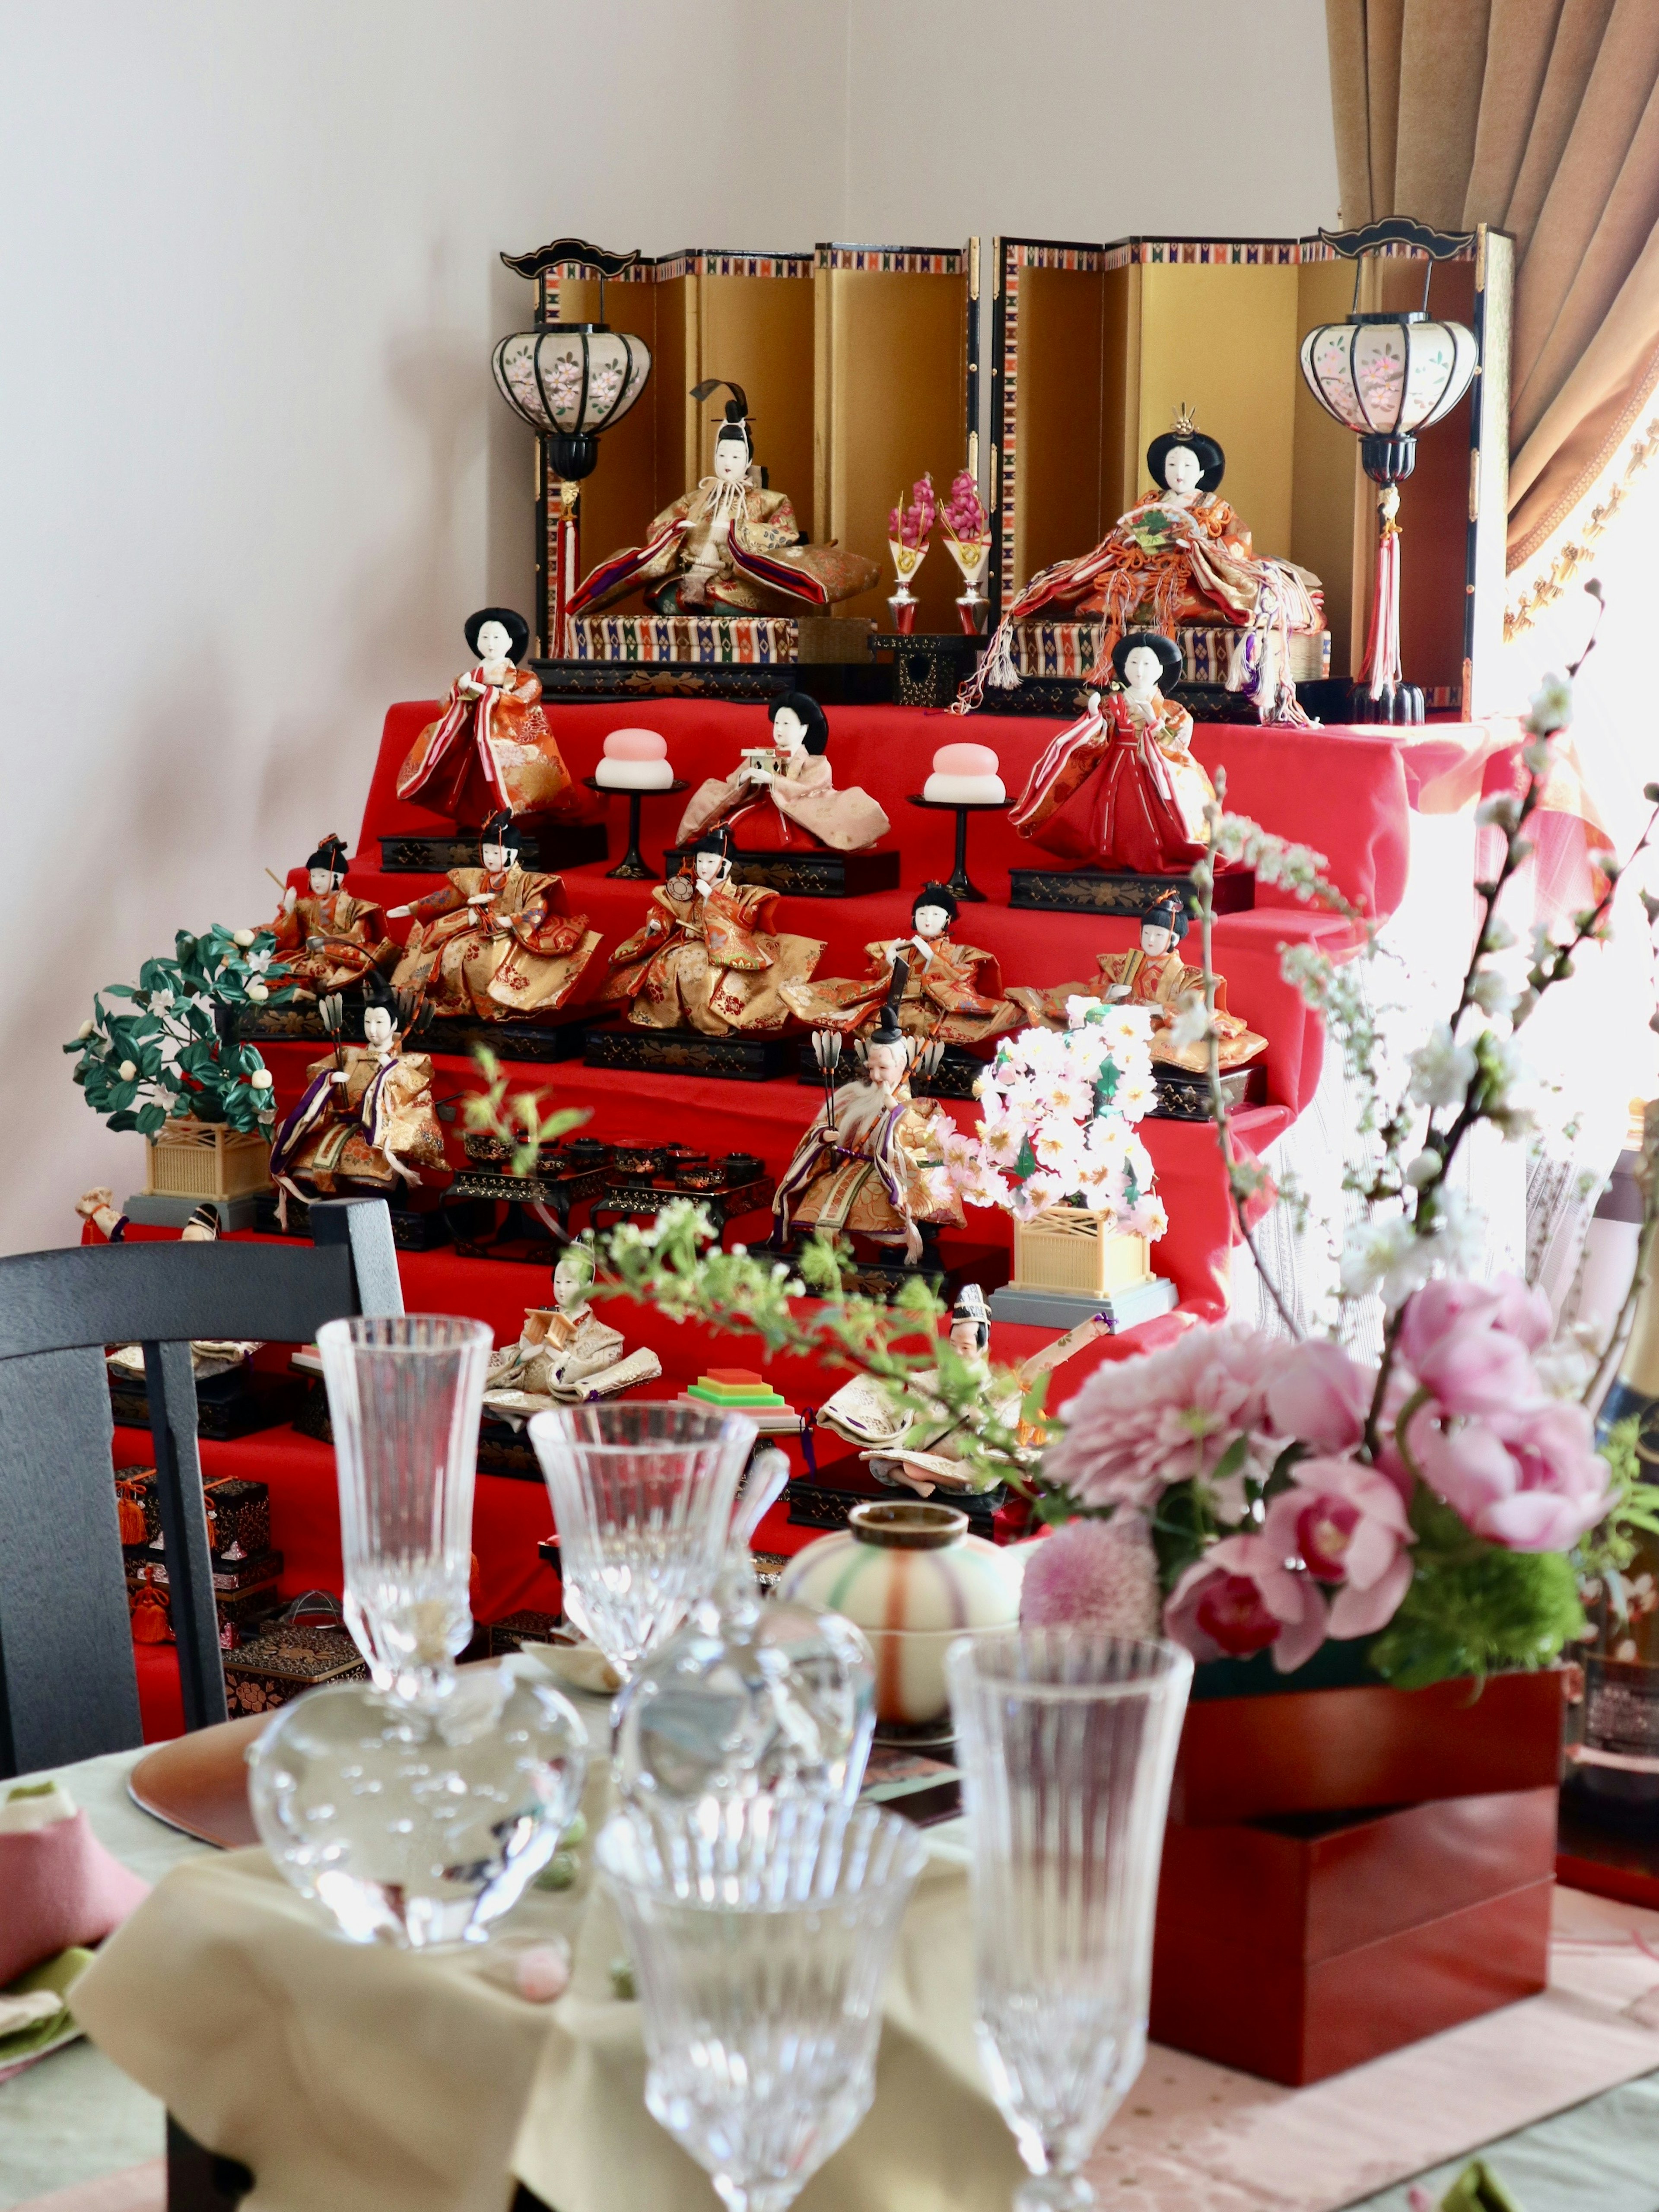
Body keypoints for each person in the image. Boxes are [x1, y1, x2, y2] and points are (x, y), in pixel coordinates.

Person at [964, 409, 1322, 721]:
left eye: (1187, 465)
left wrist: (1199, 546)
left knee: (1193, 600)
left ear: (1201, 472)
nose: (1178, 472)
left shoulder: (1215, 506)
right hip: (1142, 567)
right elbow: (1122, 537)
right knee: (1106, 591)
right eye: (1171, 465)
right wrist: (1131, 539)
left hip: (1190, 569)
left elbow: (1237, 545)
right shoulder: (1151, 501)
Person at [568, 391, 878, 618]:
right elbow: (657, 527)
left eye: (734, 456)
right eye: (722, 455)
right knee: (666, 599)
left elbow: (786, 535)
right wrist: (677, 529)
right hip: (687, 578)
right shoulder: (697, 497)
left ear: (748, 459)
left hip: (735, 581)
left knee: (723, 602)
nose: (727, 463)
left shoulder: (770, 500)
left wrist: (738, 532)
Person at [771, 969, 963, 1265]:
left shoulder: (920, 1107)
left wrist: (897, 1113)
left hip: (886, 1176)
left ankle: (892, 1252)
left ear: (902, 1065)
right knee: (815, 1208)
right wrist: (826, 1137)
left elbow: (923, 1147)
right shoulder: (855, 1097)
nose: (874, 1076)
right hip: (848, 1167)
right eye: (871, 1068)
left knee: (886, 1220)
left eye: (883, 1070)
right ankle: (819, 1257)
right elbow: (825, 1127)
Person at [1009, 889, 1266, 1073]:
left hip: (1153, 1024)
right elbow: (1094, 987)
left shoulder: (1189, 977)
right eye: (1146, 933)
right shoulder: (1125, 964)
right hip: (1118, 1017)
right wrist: (1111, 990)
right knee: (1077, 1009)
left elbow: (1191, 1007)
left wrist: (1156, 1010)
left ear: (1174, 939)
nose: (1150, 941)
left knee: (1169, 1041)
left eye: (1158, 934)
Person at [599, 826, 824, 1035]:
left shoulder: (736, 894)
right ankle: (666, 1020)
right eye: (700, 861)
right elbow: (668, 908)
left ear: (725, 865)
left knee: (702, 976)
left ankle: (711, 1024)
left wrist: (711, 896)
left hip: (717, 950)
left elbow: (745, 919)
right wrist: (656, 925)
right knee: (661, 969)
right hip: (682, 943)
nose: (704, 867)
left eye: (710, 861)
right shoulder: (689, 889)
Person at [1009, 634, 1206, 873]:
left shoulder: (1174, 711)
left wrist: (1154, 722)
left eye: (1147, 664)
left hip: (1150, 768)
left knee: (1145, 815)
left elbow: (1178, 745)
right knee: (1109, 809)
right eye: (1133, 663)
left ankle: (1148, 855)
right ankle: (1109, 854)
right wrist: (1095, 716)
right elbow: (1098, 734)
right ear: (1123, 667)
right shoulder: (1111, 703)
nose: (1140, 671)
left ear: (1162, 669)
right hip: (1114, 763)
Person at [387, 813, 601, 1022]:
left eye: (496, 853)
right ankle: (456, 1004)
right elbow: (446, 898)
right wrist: (412, 908)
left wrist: (507, 921)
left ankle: (491, 1006)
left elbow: (537, 910)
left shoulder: (528, 882)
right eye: (487, 852)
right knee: (451, 948)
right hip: (475, 924)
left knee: (479, 956)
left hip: (509, 931)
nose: (490, 859)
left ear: (513, 853)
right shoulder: (475, 877)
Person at [268, 976, 443, 1217]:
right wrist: (329, 1079)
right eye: (367, 1021)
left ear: (394, 1025)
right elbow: (317, 1071)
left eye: (380, 1022)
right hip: (340, 1123)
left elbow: (416, 1089)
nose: (372, 1030)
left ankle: (374, 1202)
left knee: (370, 1173)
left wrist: (391, 1071)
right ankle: (312, 1200)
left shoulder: (408, 1061)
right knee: (306, 1162)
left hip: (376, 1130)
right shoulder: (348, 1054)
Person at [394, 607, 584, 826]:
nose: (490, 643)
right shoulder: (466, 677)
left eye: (497, 637)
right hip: (473, 738)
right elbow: (446, 705)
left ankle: (515, 816)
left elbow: (522, 702)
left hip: (509, 738)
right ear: (477, 643)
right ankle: (477, 819)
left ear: (510, 643)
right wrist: (461, 691)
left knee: (513, 774)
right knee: (474, 782)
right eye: (484, 637)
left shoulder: (525, 679)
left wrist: (484, 692)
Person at [780, 881, 1021, 1047]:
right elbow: (879, 978)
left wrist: (932, 960)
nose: (928, 920)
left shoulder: (962, 953)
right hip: (897, 1003)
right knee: (850, 1008)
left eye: (936, 915)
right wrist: (890, 960)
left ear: (948, 920)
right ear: (913, 918)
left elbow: (963, 982)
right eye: (923, 914)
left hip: (936, 1008)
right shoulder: (901, 946)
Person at [675, 693, 889, 855]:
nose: (779, 729)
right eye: (777, 723)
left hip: (793, 815)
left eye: (786, 724)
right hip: (758, 806)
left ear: (804, 729)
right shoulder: (760, 755)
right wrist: (745, 778)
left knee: (789, 840)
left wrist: (774, 781)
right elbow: (732, 782)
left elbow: (811, 789)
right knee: (729, 835)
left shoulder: (816, 763)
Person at [483, 1242, 661, 1417]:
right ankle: (519, 1417)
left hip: (561, 1403)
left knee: (571, 1410)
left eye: (569, 1282)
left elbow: (596, 1380)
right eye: (558, 1281)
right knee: (485, 1393)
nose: (561, 1289)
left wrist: (562, 1361)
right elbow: (512, 1355)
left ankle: (522, 1417)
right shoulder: (539, 1322)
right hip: (526, 1394)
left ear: (588, 1285)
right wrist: (522, 1357)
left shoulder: (606, 1339)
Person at [265, 835, 398, 1000]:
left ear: (338, 876)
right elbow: (289, 939)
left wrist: (325, 944)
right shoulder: (304, 905)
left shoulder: (356, 906)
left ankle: (316, 993)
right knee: (278, 969)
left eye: (322, 876)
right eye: (313, 876)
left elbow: (359, 936)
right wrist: (290, 908)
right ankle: (305, 993)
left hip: (337, 959)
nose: (316, 882)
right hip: (308, 956)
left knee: (334, 972)